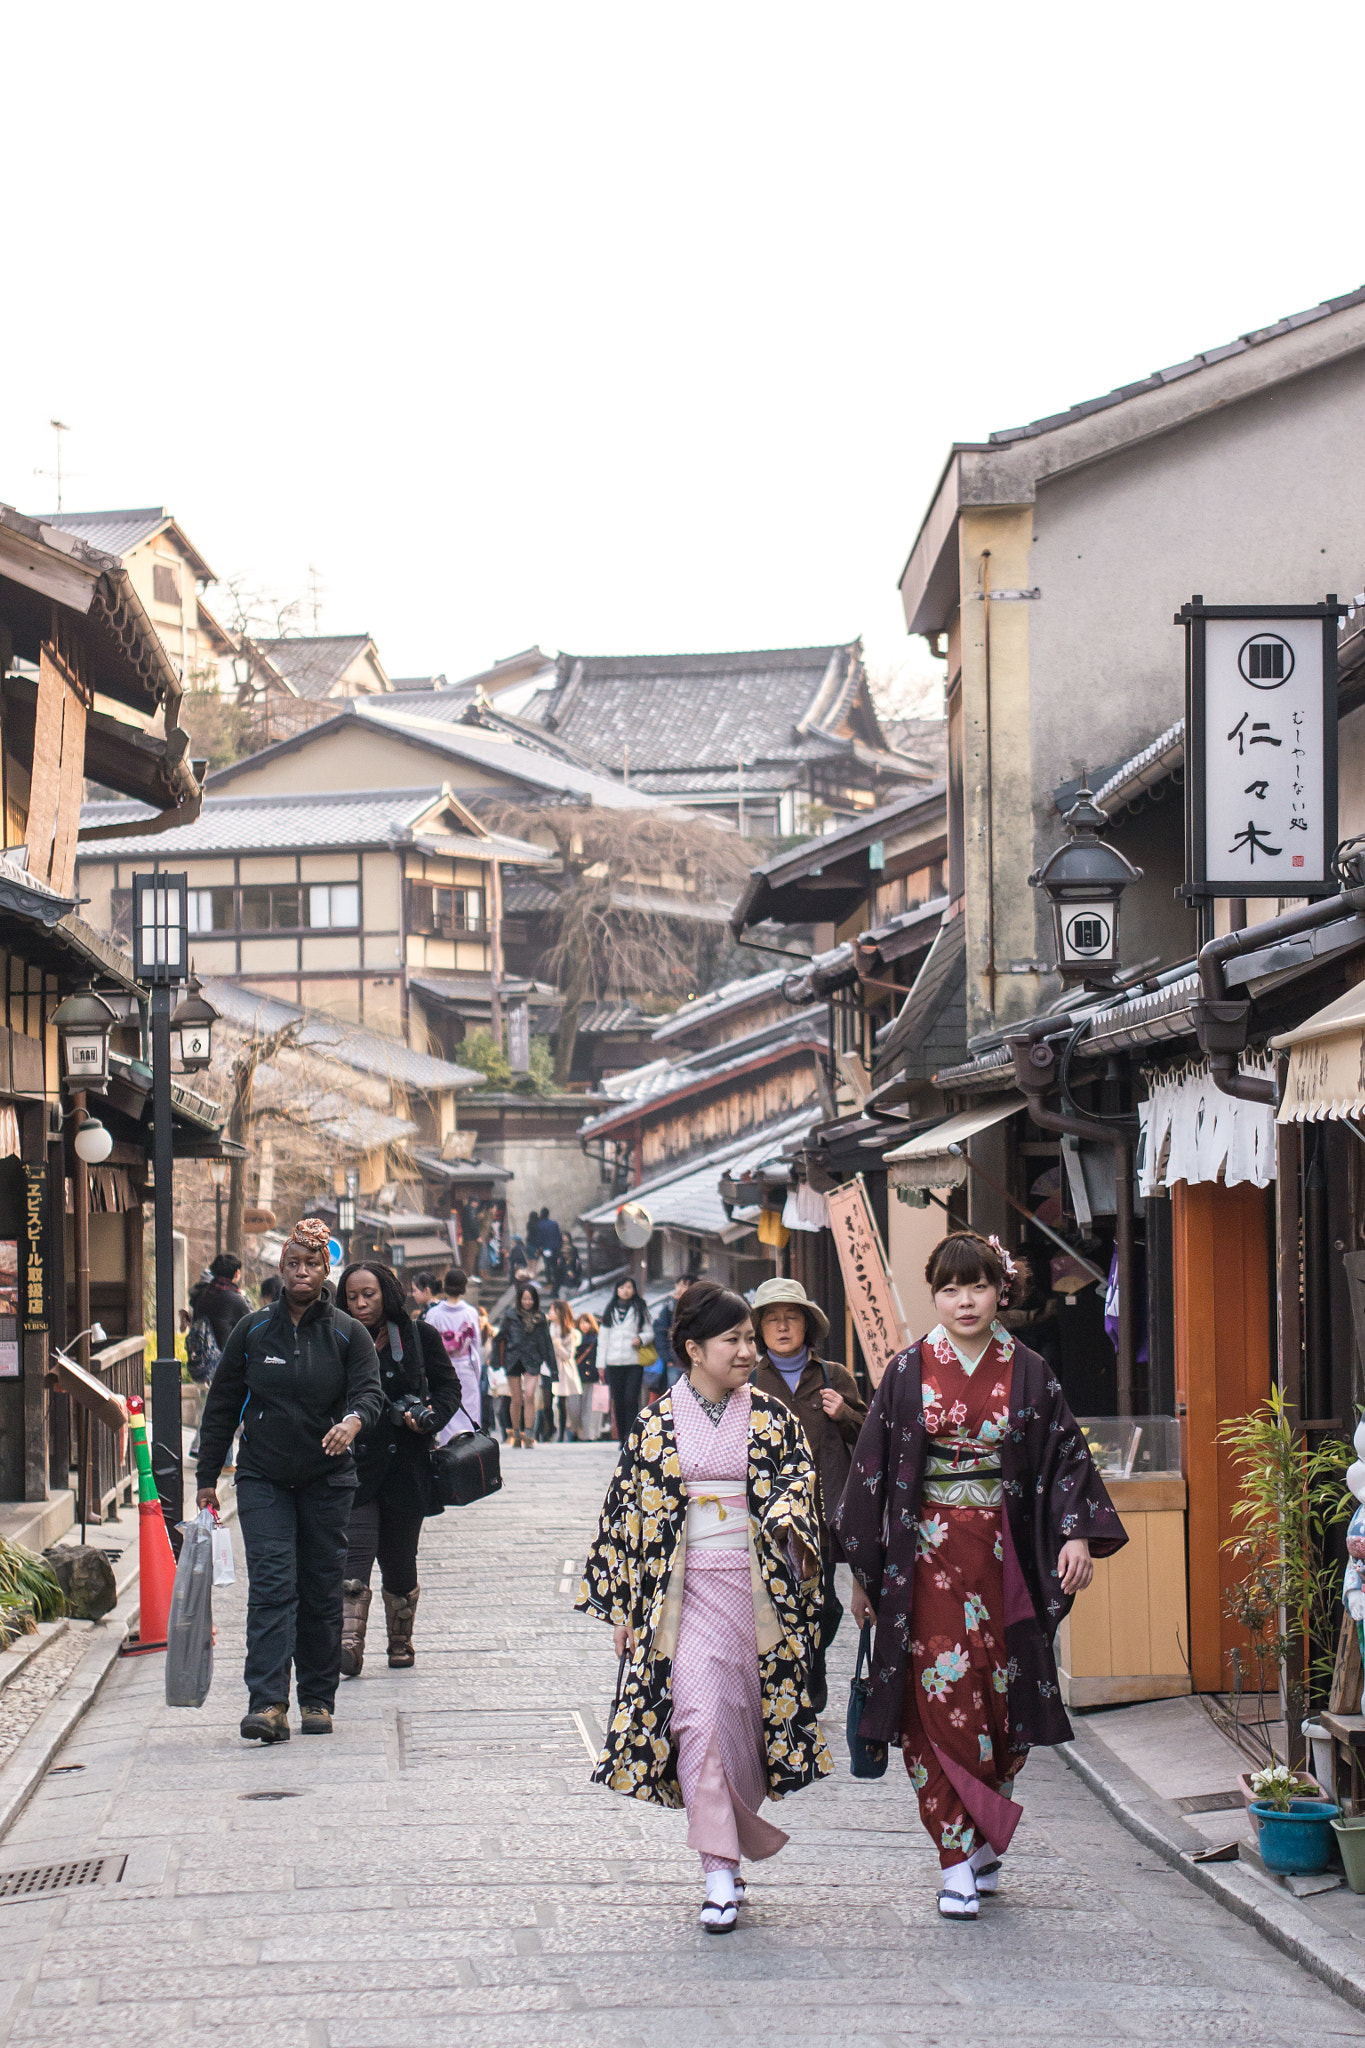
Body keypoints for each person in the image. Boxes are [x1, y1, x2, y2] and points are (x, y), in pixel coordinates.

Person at [833, 1229, 1127, 1920]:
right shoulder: (907, 1371)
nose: (963, 1301)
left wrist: (1077, 1531)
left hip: (1003, 1554)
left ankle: (981, 1824)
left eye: (977, 1286)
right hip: (924, 1555)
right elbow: (868, 1474)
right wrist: (860, 1572)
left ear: (1002, 1290)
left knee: (1001, 1700)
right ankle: (955, 1857)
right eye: (948, 1288)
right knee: (935, 1697)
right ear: (932, 1294)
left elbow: (1065, 1457)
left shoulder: (1028, 1370)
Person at [577, 1280, 831, 1933]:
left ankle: (729, 1836)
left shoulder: (772, 1417)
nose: (747, 1350)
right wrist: (627, 1610)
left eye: (750, 1339)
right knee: (696, 1718)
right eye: (734, 1339)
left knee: (743, 1726)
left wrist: (786, 1523)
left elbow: (797, 1488)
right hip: (680, 1596)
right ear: (694, 1348)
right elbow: (628, 1517)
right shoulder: (656, 1422)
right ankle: (717, 1869)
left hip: (756, 1595)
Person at [196, 1217, 384, 1744]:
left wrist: (353, 1421)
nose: (302, 1273)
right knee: (274, 1586)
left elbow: (370, 1395)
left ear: (327, 1269)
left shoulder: (348, 1333)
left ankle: (318, 1699)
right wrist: (207, 1474)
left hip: (327, 1480)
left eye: (312, 1264)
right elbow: (223, 1404)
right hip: (263, 1477)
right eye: (292, 1264)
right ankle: (268, 1703)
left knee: (322, 1589)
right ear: (280, 1269)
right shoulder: (253, 1329)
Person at [338, 1262, 463, 1674]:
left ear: (386, 1294)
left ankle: (400, 1642)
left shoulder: (418, 1335)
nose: (360, 1304)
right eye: (352, 1296)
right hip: (354, 1466)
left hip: (407, 1466)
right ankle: (349, 1643)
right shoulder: (336, 1337)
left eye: (368, 1295)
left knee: (399, 1559)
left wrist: (429, 1413)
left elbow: (449, 1388)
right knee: (354, 1557)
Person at [750, 1276, 865, 1713]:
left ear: (806, 1325)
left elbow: (870, 1432)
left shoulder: (833, 1375)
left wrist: (844, 1412)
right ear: (760, 1329)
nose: (782, 1327)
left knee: (826, 1605)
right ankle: (791, 1683)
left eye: (791, 1318)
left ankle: (808, 1668)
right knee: (779, 1598)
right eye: (773, 1320)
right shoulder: (750, 1378)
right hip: (769, 1511)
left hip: (824, 1507)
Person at [186, 1253, 252, 1453]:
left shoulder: (203, 1295)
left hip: (202, 1361)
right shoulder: (234, 1298)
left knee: (211, 1407)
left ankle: (200, 1447)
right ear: (236, 1273)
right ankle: (224, 1458)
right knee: (227, 1409)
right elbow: (252, 1326)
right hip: (225, 1362)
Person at [497, 1282, 556, 1448]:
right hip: (513, 1358)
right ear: (519, 1299)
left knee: (529, 1395)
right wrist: (497, 1360)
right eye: (524, 1299)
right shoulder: (510, 1316)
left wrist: (552, 1367)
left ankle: (529, 1434)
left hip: (533, 1359)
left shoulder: (540, 1318)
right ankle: (516, 1433)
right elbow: (501, 1338)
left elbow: (547, 1343)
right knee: (516, 1398)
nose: (527, 1302)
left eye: (530, 1299)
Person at [423, 1269, 482, 1429]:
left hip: (442, 1368)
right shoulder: (471, 1313)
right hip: (465, 1366)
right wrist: (477, 1370)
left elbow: (427, 1346)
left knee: (446, 1412)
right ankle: (471, 1451)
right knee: (469, 1413)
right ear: (464, 1287)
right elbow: (476, 1345)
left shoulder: (433, 1314)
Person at [598, 1276, 650, 1441]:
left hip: (633, 1361)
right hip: (613, 1362)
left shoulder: (640, 1308)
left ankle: (632, 1436)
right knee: (618, 1400)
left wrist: (641, 1338)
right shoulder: (610, 1309)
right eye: (622, 1288)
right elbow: (603, 1339)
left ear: (634, 1290)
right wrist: (600, 1364)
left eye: (628, 1287)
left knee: (631, 1398)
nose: (625, 1291)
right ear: (617, 1290)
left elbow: (650, 1331)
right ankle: (622, 1437)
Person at [549, 1299, 582, 1440]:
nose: (550, 1312)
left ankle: (562, 1432)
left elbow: (568, 1355)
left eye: (552, 1309)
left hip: (563, 1369)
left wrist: (557, 1344)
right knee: (546, 1402)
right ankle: (549, 1430)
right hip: (548, 1368)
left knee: (562, 1403)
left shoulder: (569, 1332)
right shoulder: (547, 1327)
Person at [653, 1276, 689, 1391]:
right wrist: (666, 1357)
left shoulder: (701, 1307)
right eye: (679, 1285)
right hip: (674, 1359)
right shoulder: (670, 1305)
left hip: (694, 1361)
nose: (681, 1289)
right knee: (673, 1394)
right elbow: (660, 1331)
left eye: (685, 1285)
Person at [575, 1313, 604, 1443]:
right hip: (577, 1376)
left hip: (593, 1375)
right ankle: (579, 1432)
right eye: (581, 1322)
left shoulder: (597, 1339)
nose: (584, 1325)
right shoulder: (575, 1338)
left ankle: (589, 1434)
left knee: (591, 1407)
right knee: (576, 1407)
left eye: (586, 1322)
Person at [538, 1206, 564, 1293]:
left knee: (548, 1266)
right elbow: (559, 1235)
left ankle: (549, 1283)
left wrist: (540, 1248)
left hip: (546, 1248)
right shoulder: (554, 1224)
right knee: (555, 1265)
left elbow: (540, 1238)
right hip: (556, 1248)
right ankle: (556, 1281)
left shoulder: (540, 1225)